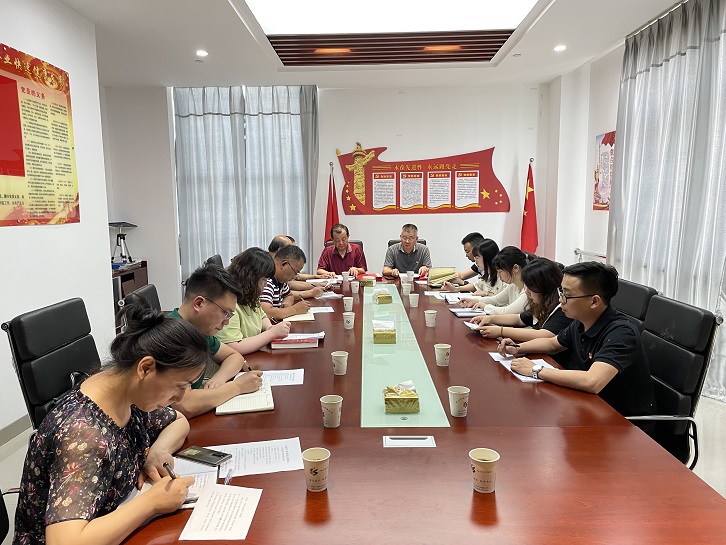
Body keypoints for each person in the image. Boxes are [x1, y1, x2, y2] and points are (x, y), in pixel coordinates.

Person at [13, 305, 208, 545]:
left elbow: (178, 421)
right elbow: (65, 541)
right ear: (146, 368)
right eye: (179, 386)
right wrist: (151, 503)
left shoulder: (127, 393)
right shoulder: (83, 433)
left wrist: (158, 451)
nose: (180, 398)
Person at [499, 261, 656, 420]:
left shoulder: (621, 332)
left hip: (621, 421)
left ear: (594, 301)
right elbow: (553, 343)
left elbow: (592, 381)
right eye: (561, 291)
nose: (560, 300)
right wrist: (518, 347)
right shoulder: (581, 321)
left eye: (567, 295)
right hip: (587, 406)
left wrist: (535, 370)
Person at [168, 263, 263, 418]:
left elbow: (234, 356)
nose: (227, 322)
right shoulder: (172, 337)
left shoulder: (198, 329)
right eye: (225, 313)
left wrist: (219, 379)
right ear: (199, 303)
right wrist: (237, 387)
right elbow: (184, 404)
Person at [470, 257, 572, 347]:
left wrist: (501, 331)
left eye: (530, 288)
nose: (527, 292)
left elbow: (543, 335)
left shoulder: (562, 309)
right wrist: (490, 319)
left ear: (544, 287)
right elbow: (519, 319)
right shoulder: (541, 304)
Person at [217, 247, 292, 354]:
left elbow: (262, 316)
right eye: (264, 280)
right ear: (250, 278)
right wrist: (272, 333)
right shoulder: (228, 303)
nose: (266, 284)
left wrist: (270, 327)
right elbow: (233, 347)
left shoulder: (250, 295)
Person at [459, 246, 529, 315]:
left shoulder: (528, 290)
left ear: (515, 268)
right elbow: (496, 300)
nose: (498, 275)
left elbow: (505, 311)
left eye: (500, 271)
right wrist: (474, 301)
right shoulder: (513, 285)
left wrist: (484, 306)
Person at [261, 244, 320, 321]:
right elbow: (266, 313)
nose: (295, 277)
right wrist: (294, 310)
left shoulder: (280, 280)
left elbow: (289, 295)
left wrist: (286, 305)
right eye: (295, 272)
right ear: (284, 264)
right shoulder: (266, 281)